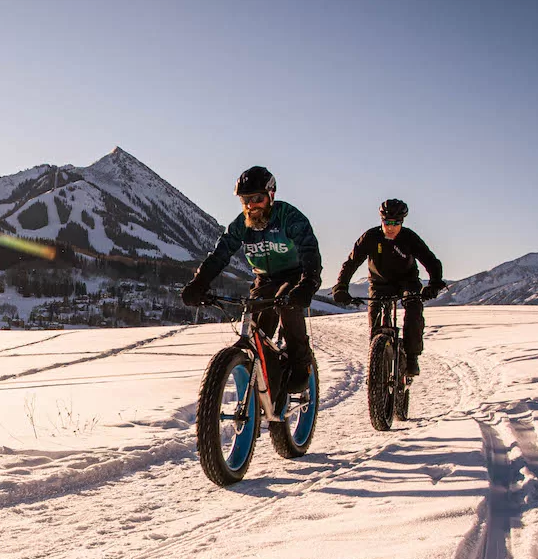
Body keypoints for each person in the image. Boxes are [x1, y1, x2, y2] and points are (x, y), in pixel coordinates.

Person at [180, 166, 321, 392]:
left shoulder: (289, 217)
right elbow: (220, 254)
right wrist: (199, 282)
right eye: (245, 200)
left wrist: (309, 282)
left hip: (294, 276)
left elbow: (309, 251)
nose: (251, 205)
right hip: (263, 279)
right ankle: (270, 388)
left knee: (287, 305)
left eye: (257, 199)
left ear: (270, 196)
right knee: (257, 333)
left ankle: (301, 361)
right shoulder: (241, 224)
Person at [330, 198, 446, 377]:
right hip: (379, 284)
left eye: (395, 223)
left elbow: (430, 261)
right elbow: (351, 263)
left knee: (414, 308)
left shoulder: (409, 238)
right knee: (375, 320)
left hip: (407, 282)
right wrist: (341, 286)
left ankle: (412, 358)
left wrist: (435, 283)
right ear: (381, 220)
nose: (390, 227)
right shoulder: (370, 237)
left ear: (402, 222)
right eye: (387, 222)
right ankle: (377, 366)